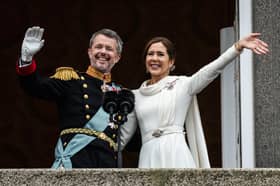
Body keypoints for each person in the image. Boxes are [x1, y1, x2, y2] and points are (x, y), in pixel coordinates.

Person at [120, 33, 269, 168]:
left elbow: (211, 70)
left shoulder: (182, 85)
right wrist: (99, 147)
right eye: (150, 54)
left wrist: (236, 48)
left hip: (176, 152)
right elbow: (122, 138)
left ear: (171, 62)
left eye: (160, 54)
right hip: (148, 156)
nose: (154, 58)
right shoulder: (135, 96)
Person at [16, 26, 124, 169]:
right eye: (99, 47)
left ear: (117, 57)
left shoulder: (122, 95)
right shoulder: (71, 80)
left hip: (107, 163)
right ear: (90, 52)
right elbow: (35, 87)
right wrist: (26, 59)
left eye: (109, 49)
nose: (103, 52)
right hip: (76, 160)